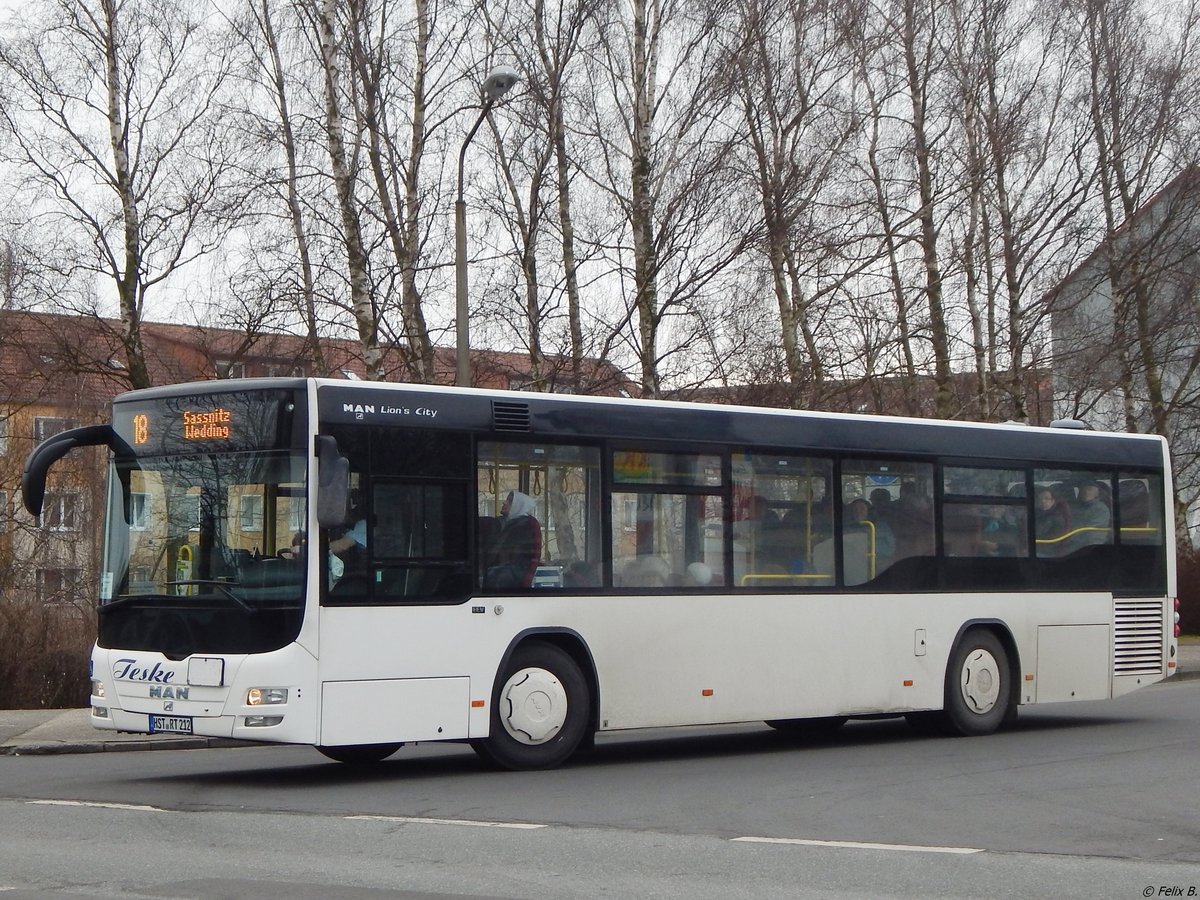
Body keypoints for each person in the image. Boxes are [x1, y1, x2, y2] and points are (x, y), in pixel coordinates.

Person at [484, 490, 542, 590]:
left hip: (511, 578)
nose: (504, 503)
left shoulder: (523, 526)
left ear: (519, 505)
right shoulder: (505, 523)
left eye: (510, 501)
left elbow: (506, 555)